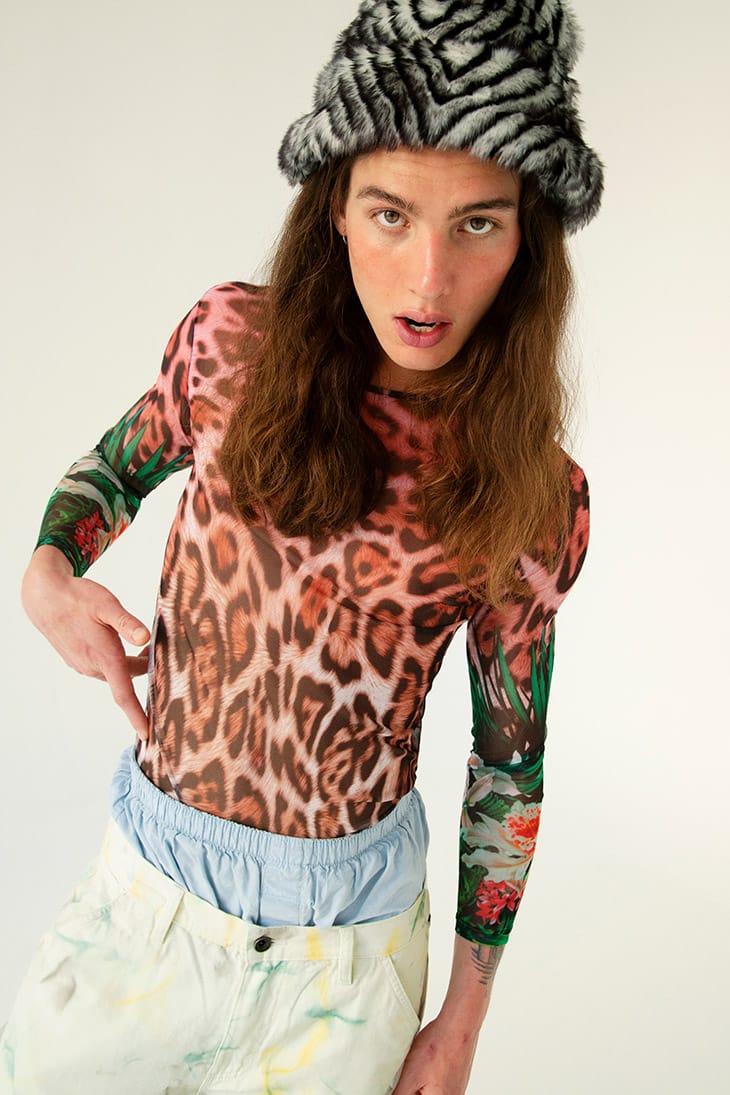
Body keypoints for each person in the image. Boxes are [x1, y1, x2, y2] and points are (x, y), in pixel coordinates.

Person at [1, 1, 603, 1092]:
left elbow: (508, 774)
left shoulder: (533, 494)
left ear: (528, 238)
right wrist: (48, 571)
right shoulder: (230, 347)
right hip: (146, 914)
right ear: (334, 204)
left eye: (477, 222)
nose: (428, 280)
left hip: (350, 965)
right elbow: (113, 472)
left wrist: (461, 1020)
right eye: (390, 213)